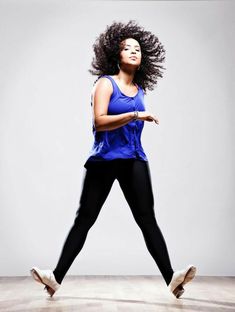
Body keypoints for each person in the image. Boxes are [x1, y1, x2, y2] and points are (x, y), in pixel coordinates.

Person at [30, 20, 196, 299]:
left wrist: (137, 116)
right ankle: (55, 277)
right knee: (85, 219)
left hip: (134, 159)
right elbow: (99, 122)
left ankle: (172, 278)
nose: (134, 51)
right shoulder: (104, 84)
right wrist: (135, 115)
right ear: (115, 55)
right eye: (127, 48)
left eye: (138, 49)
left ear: (144, 59)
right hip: (104, 160)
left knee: (147, 219)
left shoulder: (141, 89)